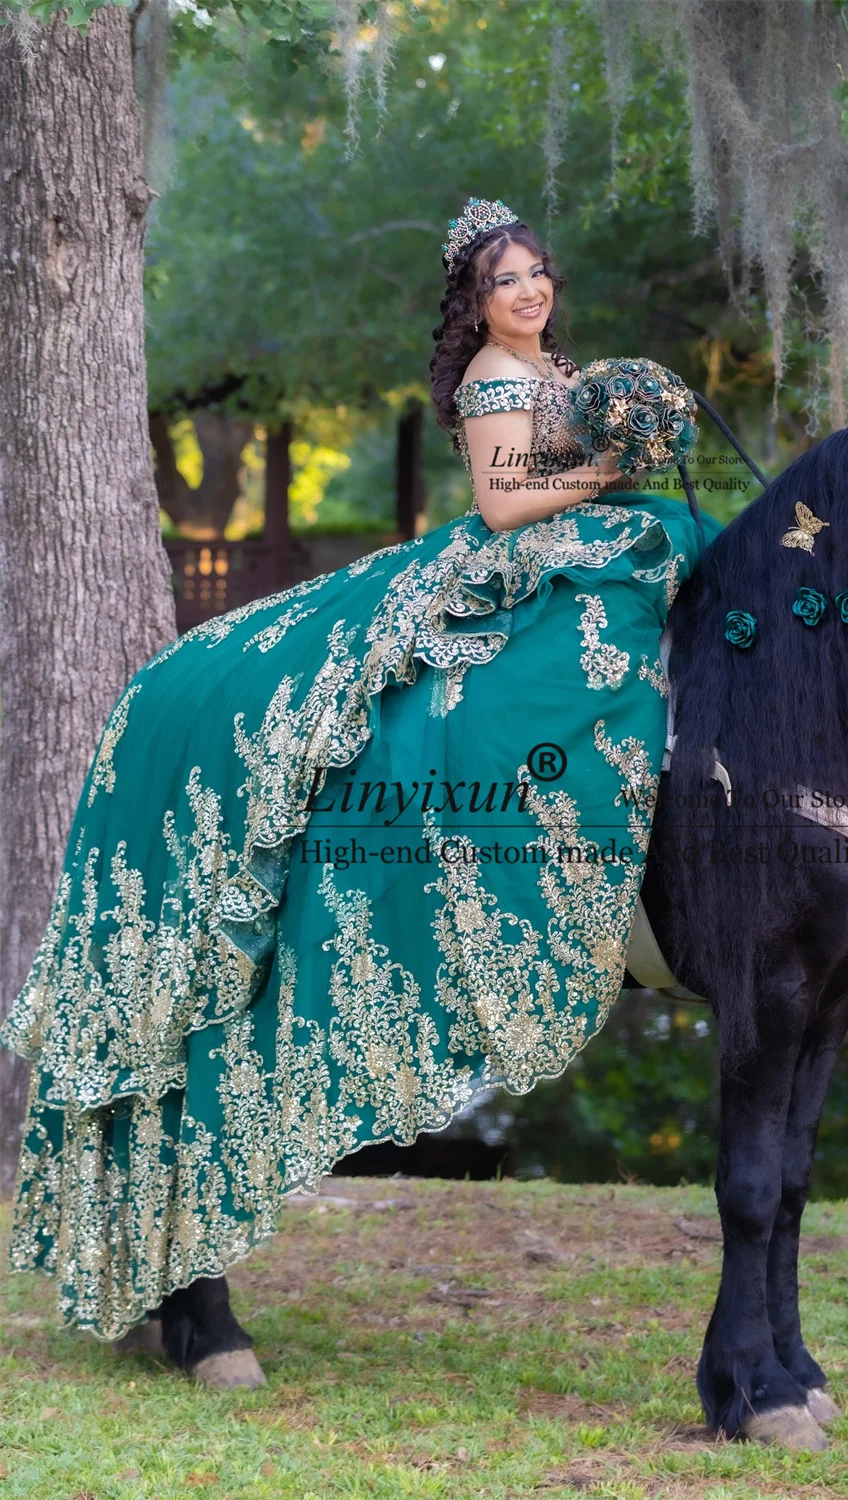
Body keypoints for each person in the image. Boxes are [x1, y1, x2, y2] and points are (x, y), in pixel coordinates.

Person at [0, 197, 722, 1357]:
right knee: (552, 648)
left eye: (538, 273)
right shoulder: (496, 377)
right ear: (476, 305)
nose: (530, 292)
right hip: (512, 555)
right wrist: (604, 470)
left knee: (693, 546)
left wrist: (641, 443)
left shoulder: (565, 364)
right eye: (506, 281)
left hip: (578, 536)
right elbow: (501, 502)